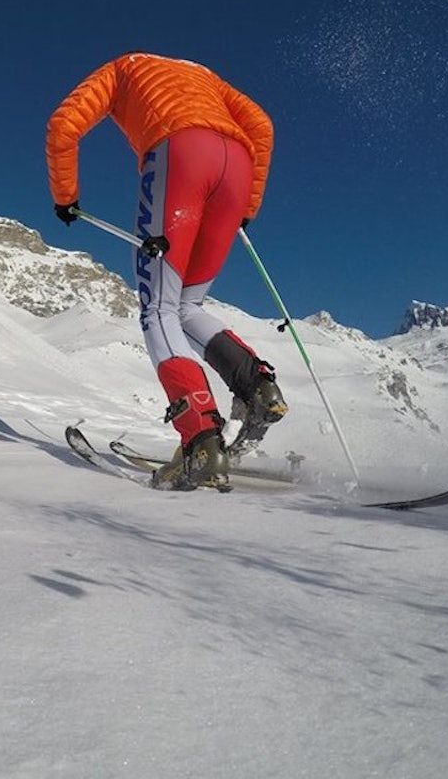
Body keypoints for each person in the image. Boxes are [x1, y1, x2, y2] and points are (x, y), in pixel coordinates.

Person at [45, 53, 288, 490]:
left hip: (181, 155)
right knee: (187, 305)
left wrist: (66, 196)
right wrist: (247, 207)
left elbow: (64, 123)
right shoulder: (207, 75)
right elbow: (262, 126)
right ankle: (257, 389)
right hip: (238, 166)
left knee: (158, 309)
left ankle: (199, 439)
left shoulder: (123, 69)